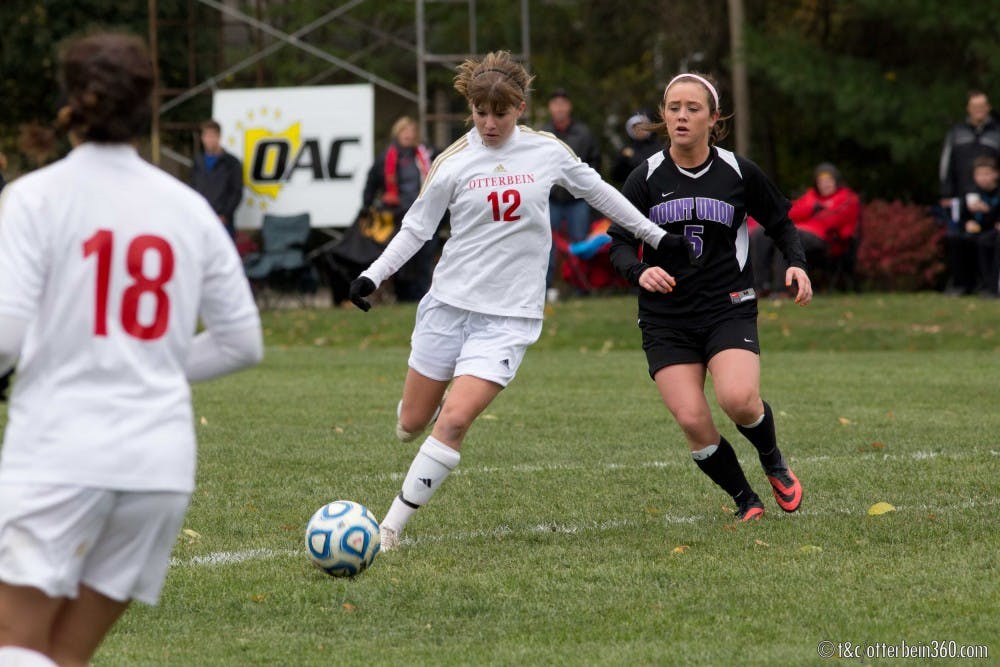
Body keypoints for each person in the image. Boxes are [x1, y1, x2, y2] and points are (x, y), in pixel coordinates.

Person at [347, 50, 690, 551]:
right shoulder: (452, 163)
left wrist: (656, 237)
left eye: (500, 114)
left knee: (455, 420)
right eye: (480, 113)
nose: (489, 124)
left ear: (521, 107)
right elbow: (416, 228)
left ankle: (390, 528)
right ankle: (429, 403)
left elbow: (601, 194)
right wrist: (371, 275)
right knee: (409, 424)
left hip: (508, 317)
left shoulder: (546, 151)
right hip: (448, 306)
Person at [0, 31, 263, 666]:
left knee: (13, 647)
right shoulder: (187, 208)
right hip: (158, 465)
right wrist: (150, 367)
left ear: (70, 104)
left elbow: (5, 335)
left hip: (62, 450)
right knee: (60, 655)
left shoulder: (36, 197)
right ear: (148, 109)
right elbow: (242, 343)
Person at [608, 72, 812, 522]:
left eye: (693, 108)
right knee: (693, 423)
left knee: (738, 399)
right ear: (663, 115)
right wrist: (640, 271)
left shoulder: (737, 171)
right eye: (673, 107)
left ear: (713, 118)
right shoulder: (645, 177)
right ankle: (746, 500)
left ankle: (773, 460)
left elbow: (780, 222)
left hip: (727, 306)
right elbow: (619, 242)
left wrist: (795, 262)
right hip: (666, 319)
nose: (682, 116)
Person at [751, 162, 860, 294]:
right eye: (821, 181)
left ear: (836, 181)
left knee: (786, 236)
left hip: (826, 241)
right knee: (760, 233)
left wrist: (808, 214)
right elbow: (789, 211)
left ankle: (784, 288)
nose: (825, 185)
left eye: (828, 181)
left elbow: (832, 221)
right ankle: (760, 286)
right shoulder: (811, 196)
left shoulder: (847, 198)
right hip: (800, 231)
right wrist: (811, 210)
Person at [361, 116, 436, 302]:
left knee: (424, 256)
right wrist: (366, 207)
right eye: (405, 131)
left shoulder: (425, 155)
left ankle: (423, 295)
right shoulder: (386, 157)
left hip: (424, 212)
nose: (409, 135)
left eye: (412, 131)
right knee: (401, 256)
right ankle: (403, 295)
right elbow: (371, 185)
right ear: (397, 132)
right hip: (396, 216)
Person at [540, 88, 601, 300]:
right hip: (552, 200)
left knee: (580, 244)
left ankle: (581, 288)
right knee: (545, 243)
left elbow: (595, 161)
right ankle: (544, 289)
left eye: (562, 103)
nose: (559, 108)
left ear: (569, 107)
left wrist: (585, 185)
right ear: (550, 107)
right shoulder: (543, 135)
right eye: (555, 103)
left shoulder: (583, 133)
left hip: (577, 200)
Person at [939, 91, 1000, 215]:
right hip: (960, 196)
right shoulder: (956, 133)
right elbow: (946, 164)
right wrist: (946, 192)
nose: (979, 110)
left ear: (988, 107)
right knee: (960, 231)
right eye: (975, 107)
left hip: (992, 198)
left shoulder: (997, 133)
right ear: (968, 109)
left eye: (982, 106)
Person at [191, 119, 244, 240]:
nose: (209, 139)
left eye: (212, 136)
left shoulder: (232, 163)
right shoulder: (198, 162)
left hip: (222, 221)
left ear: (219, 137)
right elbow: (193, 188)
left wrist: (225, 214)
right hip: (202, 218)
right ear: (202, 138)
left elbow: (236, 192)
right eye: (206, 136)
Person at [961, 156, 1000, 296]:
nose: (983, 178)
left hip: (994, 232)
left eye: (987, 173)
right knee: (961, 239)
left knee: (988, 242)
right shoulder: (971, 192)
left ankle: (992, 286)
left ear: (996, 174)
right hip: (979, 230)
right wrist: (968, 221)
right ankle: (968, 285)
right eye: (979, 174)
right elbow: (962, 216)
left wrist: (987, 212)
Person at [611, 111, 662, 185]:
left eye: (642, 126)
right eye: (636, 128)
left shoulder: (659, 148)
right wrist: (622, 159)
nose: (639, 130)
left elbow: (652, 171)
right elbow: (615, 176)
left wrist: (633, 157)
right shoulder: (626, 149)